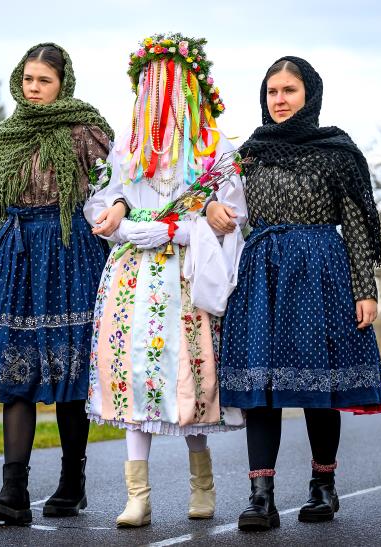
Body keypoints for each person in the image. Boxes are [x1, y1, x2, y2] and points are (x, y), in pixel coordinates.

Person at [0, 43, 114, 526]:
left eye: (44, 81)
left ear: (63, 83)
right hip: (16, 254)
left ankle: (72, 484)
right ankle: (13, 491)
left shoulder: (86, 129)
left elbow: (115, 188)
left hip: (69, 251)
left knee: (69, 376)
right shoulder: (10, 131)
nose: (34, 89)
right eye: (29, 79)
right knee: (17, 375)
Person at [208, 56, 381, 531]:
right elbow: (215, 199)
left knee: (317, 387)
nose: (280, 100)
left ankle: (322, 487)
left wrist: (364, 289)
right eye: (272, 92)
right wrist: (211, 208)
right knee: (261, 388)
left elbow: (354, 224)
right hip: (263, 271)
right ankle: (260, 497)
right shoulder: (249, 152)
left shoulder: (337, 152)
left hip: (320, 271)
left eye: (289, 90)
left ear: (309, 94)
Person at [83, 34, 245, 528]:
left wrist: (192, 222)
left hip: (184, 276)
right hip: (133, 276)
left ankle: (203, 485)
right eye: (153, 84)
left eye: (171, 84)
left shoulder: (213, 150)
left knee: (186, 378)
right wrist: (125, 221)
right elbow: (103, 200)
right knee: (136, 378)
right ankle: (138, 496)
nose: (162, 95)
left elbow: (232, 213)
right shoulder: (128, 150)